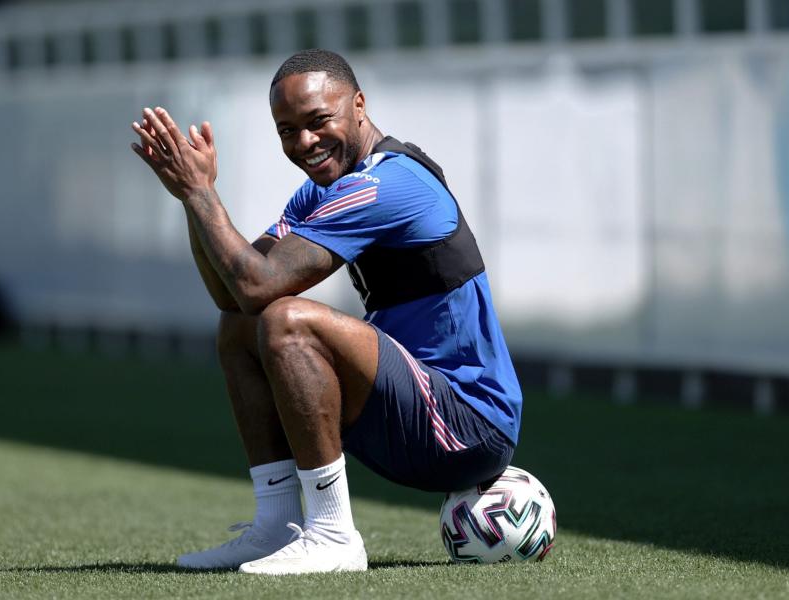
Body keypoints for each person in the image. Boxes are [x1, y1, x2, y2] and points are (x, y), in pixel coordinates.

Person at [130, 49, 522, 575]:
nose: (305, 143)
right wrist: (191, 198)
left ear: (358, 105)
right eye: (287, 131)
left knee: (284, 317)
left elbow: (256, 283)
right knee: (242, 325)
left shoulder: (392, 183)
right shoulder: (320, 192)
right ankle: (277, 526)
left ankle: (334, 535)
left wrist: (201, 193)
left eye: (318, 121)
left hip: (470, 425)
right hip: (410, 415)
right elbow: (232, 296)